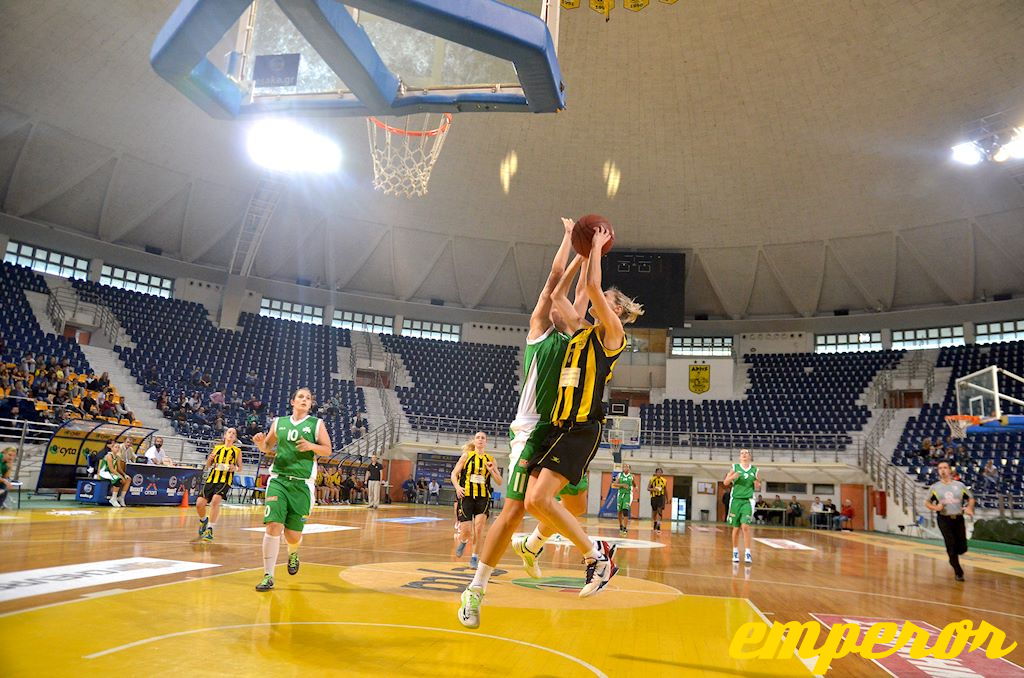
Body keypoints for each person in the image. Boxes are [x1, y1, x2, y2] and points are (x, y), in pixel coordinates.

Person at [459, 218, 611, 629]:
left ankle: (535, 543)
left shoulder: (578, 337)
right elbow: (554, 284)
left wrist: (590, 256)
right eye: (560, 306)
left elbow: (582, 295)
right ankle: (475, 589)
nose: (564, 307)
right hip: (531, 430)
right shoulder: (540, 332)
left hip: (564, 429)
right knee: (512, 512)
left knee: (576, 504)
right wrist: (571, 244)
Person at [521, 230, 643, 598]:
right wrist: (577, 253)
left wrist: (594, 247)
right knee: (532, 502)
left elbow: (591, 284)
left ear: (616, 309)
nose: (597, 298)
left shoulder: (613, 335)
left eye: (605, 298)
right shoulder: (578, 330)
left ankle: (597, 556)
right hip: (557, 426)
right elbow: (558, 294)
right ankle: (572, 548)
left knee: (540, 501)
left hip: (581, 428)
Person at [252, 387, 333, 592]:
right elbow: (268, 448)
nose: (305, 400)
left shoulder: (316, 424)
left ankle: (293, 551)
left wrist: (311, 446)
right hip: (279, 480)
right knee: (272, 526)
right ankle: (268, 575)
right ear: (293, 401)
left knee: (292, 535)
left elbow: (328, 449)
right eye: (301, 397)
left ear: (310, 404)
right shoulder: (279, 422)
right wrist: (261, 444)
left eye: (308, 398)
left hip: (302, 484)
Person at [451, 432, 502, 567]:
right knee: (466, 530)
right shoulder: (466, 456)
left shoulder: (490, 459)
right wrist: (457, 487)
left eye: (483, 438)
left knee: (479, 528)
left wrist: (491, 471)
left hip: (483, 497)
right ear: (474, 441)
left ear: (486, 442)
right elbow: (454, 474)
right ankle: (463, 541)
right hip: (466, 495)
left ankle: (474, 557)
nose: (480, 440)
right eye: (478, 437)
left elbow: (499, 481)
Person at [925, 460, 975, 581]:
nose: (942, 470)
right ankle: (958, 571)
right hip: (944, 518)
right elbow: (927, 502)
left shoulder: (960, 486)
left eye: (945, 467)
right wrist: (935, 507)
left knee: (962, 547)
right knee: (951, 545)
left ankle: (954, 555)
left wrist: (969, 507)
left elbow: (971, 498)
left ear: (950, 470)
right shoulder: (935, 487)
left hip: (958, 518)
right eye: (940, 468)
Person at [196, 428, 242, 542]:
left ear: (235, 438)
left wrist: (234, 468)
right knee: (199, 504)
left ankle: (210, 529)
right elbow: (208, 465)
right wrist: (209, 460)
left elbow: (240, 468)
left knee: (215, 501)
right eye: (229, 432)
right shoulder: (217, 448)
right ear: (225, 435)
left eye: (234, 433)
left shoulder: (237, 451)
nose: (231, 434)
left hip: (225, 480)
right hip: (212, 478)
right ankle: (203, 521)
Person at [724, 449, 760, 564]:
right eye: (742, 453)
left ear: (750, 456)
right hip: (735, 500)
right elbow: (725, 482)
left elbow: (758, 486)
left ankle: (748, 553)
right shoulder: (734, 468)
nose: (744, 455)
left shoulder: (755, 470)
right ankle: (735, 551)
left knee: (745, 526)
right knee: (736, 527)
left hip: (748, 501)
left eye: (746, 453)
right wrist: (732, 477)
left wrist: (757, 484)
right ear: (740, 457)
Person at [98, 442, 130, 508]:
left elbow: (119, 468)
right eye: (116, 447)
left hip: (111, 473)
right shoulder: (109, 456)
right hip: (104, 472)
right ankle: (113, 499)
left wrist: (124, 475)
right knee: (117, 479)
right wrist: (120, 476)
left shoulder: (118, 457)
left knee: (128, 479)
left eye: (118, 447)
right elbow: (111, 469)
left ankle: (121, 498)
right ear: (111, 448)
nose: (117, 449)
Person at [613, 463, 636, 534]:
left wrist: (636, 487)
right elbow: (614, 484)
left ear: (629, 469)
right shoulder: (620, 475)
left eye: (627, 467)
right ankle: (620, 525)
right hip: (620, 494)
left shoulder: (632, 476)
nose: (625, 468)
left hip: (628, 495)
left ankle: (625, 528)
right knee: (619, 511)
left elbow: (634, 484)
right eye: (624, 467)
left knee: (625, 510)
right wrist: (622, 485)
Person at [648, 467, 667, 533]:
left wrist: (667, 498)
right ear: (655, 473)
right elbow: (648, 488)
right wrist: (654, 489)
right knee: (654, 512)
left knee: (660, 510)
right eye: (658, 472)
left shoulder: (664, 480)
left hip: (661, 497)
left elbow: (665, 490)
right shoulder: (652, 479)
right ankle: (655, 522)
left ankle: (659, 525)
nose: (659, 473)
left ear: (662, 473)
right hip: (654, 497)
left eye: (660, 472)